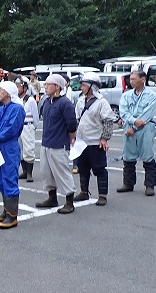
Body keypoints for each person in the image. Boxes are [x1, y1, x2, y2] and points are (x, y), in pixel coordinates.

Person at [35, 74, 78, 214]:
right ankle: (52, 198)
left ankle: (69, 202)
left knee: (62, 173)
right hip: (46, 142)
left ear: (57, 87)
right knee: (46, 173)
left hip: (59, 144)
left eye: (48, 84)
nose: (45, 86)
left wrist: (72, 138)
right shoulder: (47, 102)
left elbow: (72, 124)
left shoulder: (65, 103)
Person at [73, 72, 116, 206]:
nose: (81, 88)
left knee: (99, 168)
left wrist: (104, 138)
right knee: (82, 167)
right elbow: (76, 120)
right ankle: (84, 192)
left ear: (92, 86)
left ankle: (102, 195)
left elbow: (108, 121)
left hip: (95, 141)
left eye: (84, 85)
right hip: (82, 141)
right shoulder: (80, 101)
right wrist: (74, 137)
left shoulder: (101, 102)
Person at [0, 81, 25, 228]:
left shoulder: (17, 109)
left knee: (10, 178)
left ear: (9, 93)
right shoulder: (0, 109)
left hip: (9, 147)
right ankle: (6, 210)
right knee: (1, 179)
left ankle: (12, 216)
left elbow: (11, 130)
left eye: (1, 90)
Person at [117, 69, 156, 195]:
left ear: (143, 79)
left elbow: (147, 114)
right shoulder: (126, 95)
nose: (131, 81)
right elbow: (123, 111)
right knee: (128, 156)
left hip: (145, 128)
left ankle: (150, 185)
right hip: (129, 127)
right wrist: (133, 122)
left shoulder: (152, 96)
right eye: (130, 79)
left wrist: (135, 127)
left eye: (133, 79)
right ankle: (128, 183)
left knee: (147, 156)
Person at [16, 77, 38, 183]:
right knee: (20, 149)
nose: (17, 88)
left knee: (28, 149)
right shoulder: (16, 99)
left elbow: (35, 116)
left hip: (27, 126)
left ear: (24, 88)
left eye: (19, 86)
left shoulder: (30, 100)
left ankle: (29, 173)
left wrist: (33, 127)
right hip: (19, 127)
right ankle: (24, 171)